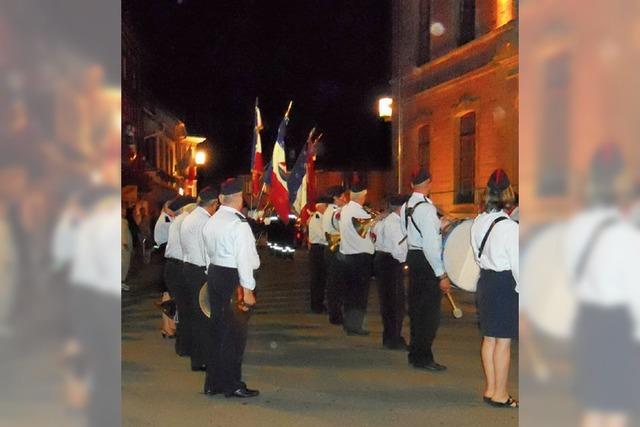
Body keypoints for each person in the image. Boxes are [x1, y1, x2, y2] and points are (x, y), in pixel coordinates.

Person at [203, 178, 260, 398]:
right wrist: (248, 289)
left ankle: (213, 382)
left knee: (218, 330)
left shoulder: (212, 221)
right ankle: (232, 384)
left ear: (220, 199)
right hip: (233, 278)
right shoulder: (238, 224)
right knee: (235, 335)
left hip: (216, 273)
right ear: (239, 198)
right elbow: (244, 258)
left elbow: (208, 253)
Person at [471, 169, 519, 408]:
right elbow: (518, 264)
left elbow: (477, 256)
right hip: (504, 284)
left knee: (489, 339)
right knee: (504, 341)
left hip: (486, 281)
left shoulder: (479, 222)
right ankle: (500, 393)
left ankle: (490, 388)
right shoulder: (510, 227)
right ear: (508, 193)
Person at [400, 168, 450, 371]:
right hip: (426, 259)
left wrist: (438, 227)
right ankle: (424, 357)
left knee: (417, 309)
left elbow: (409, 231)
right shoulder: (427, 209)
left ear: (412, 185)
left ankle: (416, 354)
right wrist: (442, 274)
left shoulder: (407, 206)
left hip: (414, 255)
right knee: (429, 314)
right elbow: (430, 245)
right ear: (429, 183)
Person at [180, 186, 219, 371]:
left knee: (194, 316)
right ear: (213, 204)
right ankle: (204, 358)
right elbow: (207, 251)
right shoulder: (205, 222)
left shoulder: (189, 218)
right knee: (205, 317)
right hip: (201, 271)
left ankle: (197, 358)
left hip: (188, 268)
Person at [338, 182, 375, 336]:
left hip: (347, 256)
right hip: (361, 258)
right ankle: (356, 326)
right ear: (362, 197)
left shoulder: (344, 210)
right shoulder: (361, 213)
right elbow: (368, 231)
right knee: (360, 294)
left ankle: (348, 323)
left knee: (350, 292)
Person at [373, 194, 409, 349]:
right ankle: (393, 339)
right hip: (391, 262)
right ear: (402, 208)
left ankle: (389, 337)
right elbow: (398, 250)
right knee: (395, 303)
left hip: (382, 260)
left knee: (388, 303)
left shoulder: (384, 221)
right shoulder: (394, 223)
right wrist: (407, 260)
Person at [164, 196, 197, 349]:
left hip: (173, 266)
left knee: (181, 306)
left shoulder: (179, 220)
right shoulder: (186, 220)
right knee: (185, 307)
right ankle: (184, 344)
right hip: (179, 266)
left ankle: (183, 343)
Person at [322, 185, 349, 325]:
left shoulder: (329, 210)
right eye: (342, 197)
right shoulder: (336, 212)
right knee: (336, 284)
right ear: (335, 198)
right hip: (336, 248)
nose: (345, 199)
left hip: (331, 248)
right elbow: (344, 227)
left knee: (333, 283)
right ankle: (336, 315)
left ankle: (335, 313)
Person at [307, 196, 331, 313]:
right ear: (320, 207)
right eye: (326, 206)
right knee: (317, 279)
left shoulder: (322, 218)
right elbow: (323, 236)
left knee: (322, 279)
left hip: (322, 249)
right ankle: (316, 305)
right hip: (318, 250)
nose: (327, 208)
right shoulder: (316, 219)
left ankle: (319, 303)